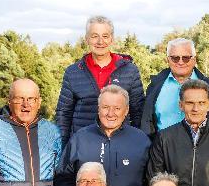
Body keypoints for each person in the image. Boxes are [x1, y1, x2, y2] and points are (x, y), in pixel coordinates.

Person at [56, 84, 151, 186]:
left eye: (117, 108)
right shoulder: (80, 138)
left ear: (126, 110)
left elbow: (152, 180)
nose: (110, 113)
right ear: (98, 109)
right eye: (105, 107)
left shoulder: (141, 140)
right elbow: (63, 177)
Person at [56, 16, 144, 144]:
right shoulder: (73, 72)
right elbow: (63, 114)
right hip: (84, 145)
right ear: (87, 39)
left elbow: (138, 112)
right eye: (94, 36)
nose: (100, 41)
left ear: (112, 39)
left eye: (105, 36)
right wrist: (64, 148)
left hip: (120, 144)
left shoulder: (130, 70)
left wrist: (136, 143)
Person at [141, 38, 209, 140]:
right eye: (175, 58)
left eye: (186, 58)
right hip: (163, 151)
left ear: (194, 59)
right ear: (168, 59)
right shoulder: (155, 86)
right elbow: (147, 124)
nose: (180, 62)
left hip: (203, 151)